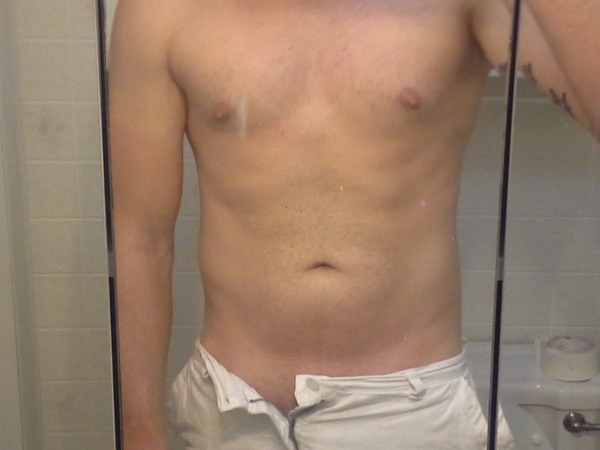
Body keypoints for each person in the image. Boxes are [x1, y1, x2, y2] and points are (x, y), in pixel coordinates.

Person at [108, 0, 600, 448]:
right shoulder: (162, 10)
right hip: (232, 406)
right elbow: (142, 238)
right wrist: (140, 428)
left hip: (408, 410)